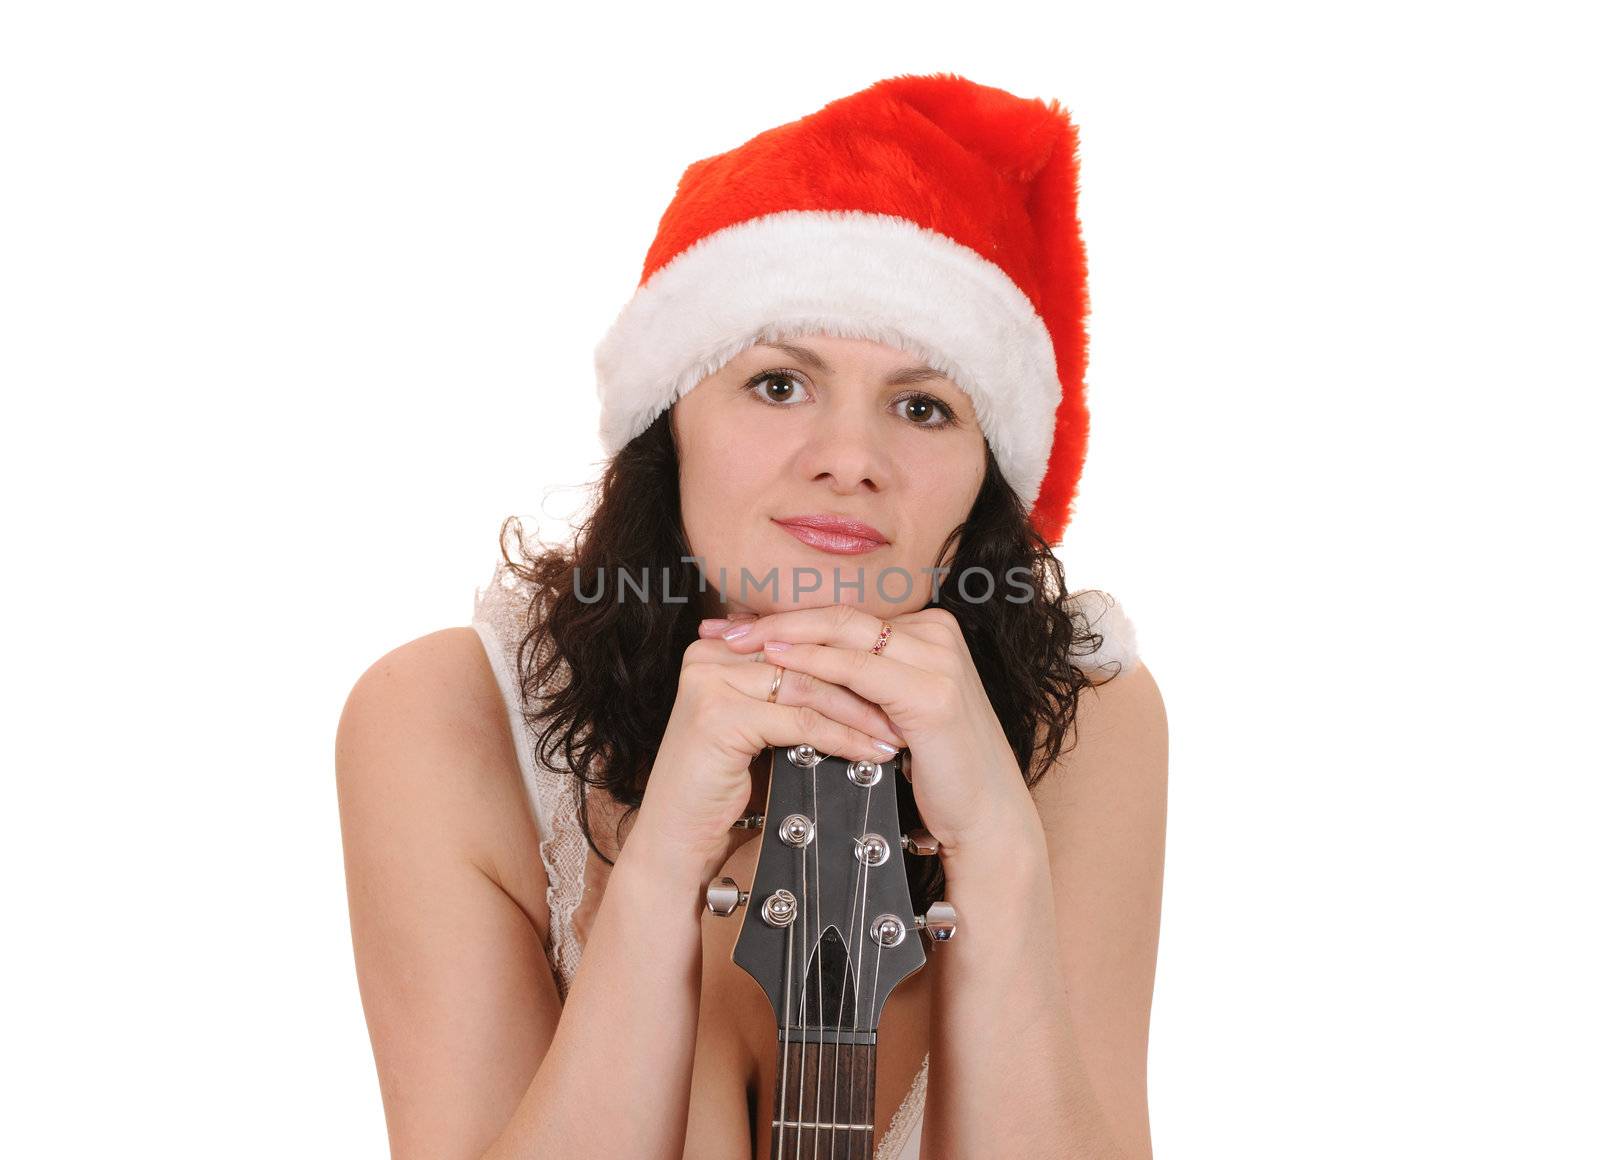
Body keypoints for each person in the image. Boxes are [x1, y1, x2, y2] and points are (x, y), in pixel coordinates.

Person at [336, 71, 1168, 1160]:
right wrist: (661, 864)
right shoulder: (444, 721)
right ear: (665, 428)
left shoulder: (1089, 720)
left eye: (923, 406)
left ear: (982, 495)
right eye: (780, 383)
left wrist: (998, 848)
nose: (849, 461)